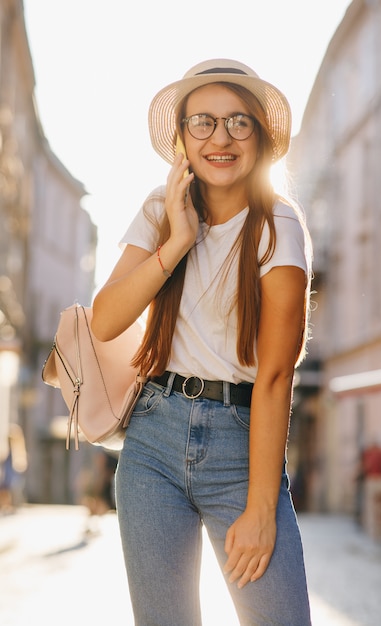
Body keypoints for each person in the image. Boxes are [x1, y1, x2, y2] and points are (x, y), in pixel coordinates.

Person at [92, 59, 312, 626]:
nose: (221, 137)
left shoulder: (277, 226)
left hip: (243, 448)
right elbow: (106, 319)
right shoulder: (160, 212)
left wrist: (262, 507)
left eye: (239, 122)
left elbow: (275, 375)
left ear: (260, 135)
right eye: (203, 123)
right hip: (152, 444)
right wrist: (179, 240)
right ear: (182, 138)